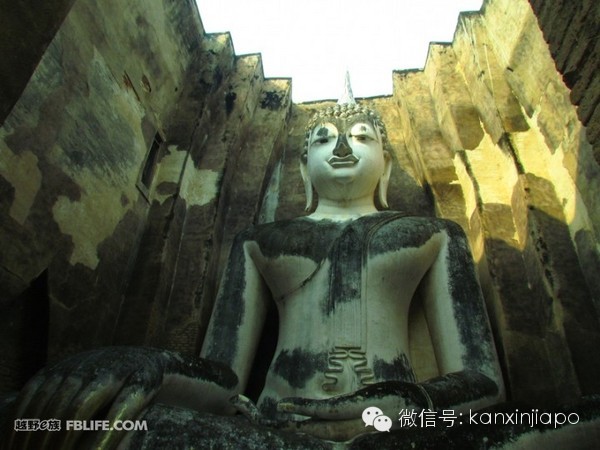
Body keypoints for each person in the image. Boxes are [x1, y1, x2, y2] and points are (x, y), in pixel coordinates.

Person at [4, 85, 504, 448]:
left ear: (386, 163)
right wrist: (149, 365)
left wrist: (412, 404)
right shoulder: (261, 241)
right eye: (324, 140)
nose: (342, 148)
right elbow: (224, 377)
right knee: (90, 426)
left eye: (361, 137)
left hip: (401, 435)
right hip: (273, 434)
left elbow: (484, 383)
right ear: (303, 166)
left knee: (545, 426)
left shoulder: (433, 234)